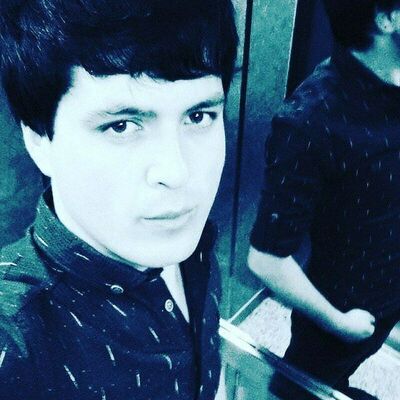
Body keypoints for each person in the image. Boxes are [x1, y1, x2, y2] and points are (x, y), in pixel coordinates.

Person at [0, 1, 238, 399]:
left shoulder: (190, 246)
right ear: (39, 139)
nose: (177, 172)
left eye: (198, 116)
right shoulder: (16, 346)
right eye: (122, 126)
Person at [248, 1, 400, 399]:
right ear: (387, 18)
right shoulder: (310, 121)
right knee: (302, 389)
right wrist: (337, 323)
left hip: (390, 285)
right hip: (345, 313)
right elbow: (266, 259)